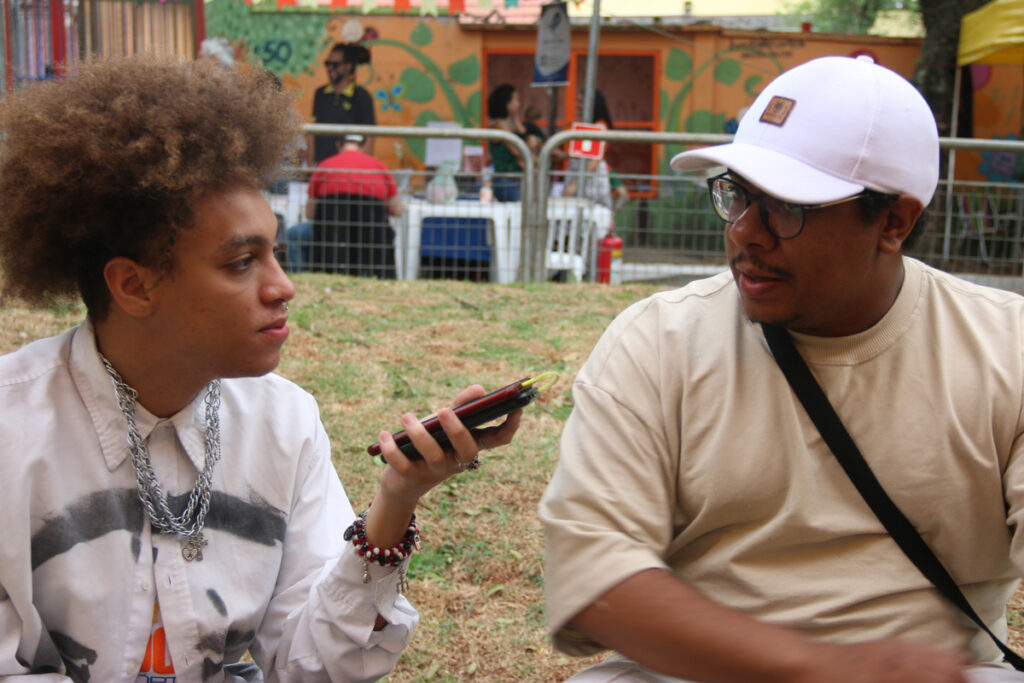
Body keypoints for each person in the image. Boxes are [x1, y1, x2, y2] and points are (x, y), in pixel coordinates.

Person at [0, 55, 520, 682]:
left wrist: (395, 501)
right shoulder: (12, 429)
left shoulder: (285, 421)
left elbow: (315, 666)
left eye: (273, 252)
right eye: (242, 262)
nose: (282, 287)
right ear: (134, 285)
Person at [539, 54, 1024, 683]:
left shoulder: (1005, 349)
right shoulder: (659, 341)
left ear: (894, 222)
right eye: (737, 194)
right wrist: (821, 669)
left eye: (787, 207)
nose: (746, 233)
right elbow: (595, 576)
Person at [303, 134, 403, 277]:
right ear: (364, 146)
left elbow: (310, 213)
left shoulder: (324, 166)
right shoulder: (380, 167)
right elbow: (398, 210)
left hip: (332, 246)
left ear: (338, 145)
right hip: (371, 248)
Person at [309, 42, 376, 166]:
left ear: (349, 66)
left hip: (349, 170)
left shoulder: (362, 96)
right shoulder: (320, 94)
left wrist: (363, 170)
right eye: (327, 64)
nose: (330, 68)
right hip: (323, 168)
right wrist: (308, 170)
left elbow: (369, 139)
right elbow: (313, 134)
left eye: (335, 64)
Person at [487, 83, 528, 202]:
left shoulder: (512, 123)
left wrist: (516, 120)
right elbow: (516, 150)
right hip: (507, 180)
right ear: (507, 103)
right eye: (516, 100)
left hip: (517, 178)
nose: (518, 104)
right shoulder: (499, 124)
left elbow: (523, 134)